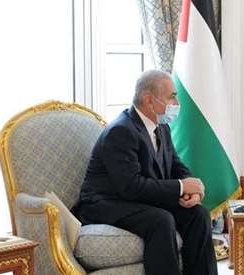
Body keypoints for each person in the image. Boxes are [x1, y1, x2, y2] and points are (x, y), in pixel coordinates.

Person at [72, 70, 218, 275]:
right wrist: (181, 187)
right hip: (106, 203)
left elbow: (176, 165)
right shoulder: (121, 131)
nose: (177, 103)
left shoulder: (162, 126)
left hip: (138, 198)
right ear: (149, 101)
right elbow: (131, 186)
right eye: (172, 97)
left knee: (198, 214)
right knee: (161, 220)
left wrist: (188, 187)